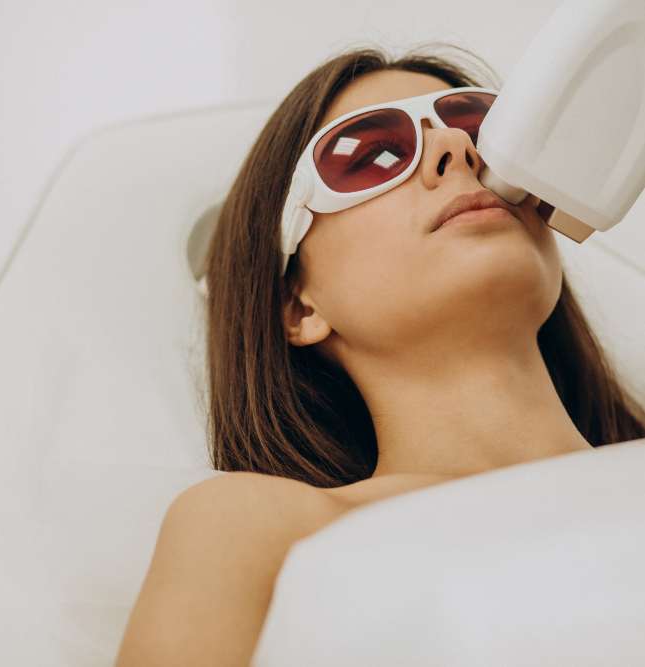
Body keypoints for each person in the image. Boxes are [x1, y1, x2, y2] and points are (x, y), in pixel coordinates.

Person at [114, 45, 645, 667]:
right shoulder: (255, 528)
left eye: (488, 135)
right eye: (372, 155)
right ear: (297, 306)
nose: (459, 150)